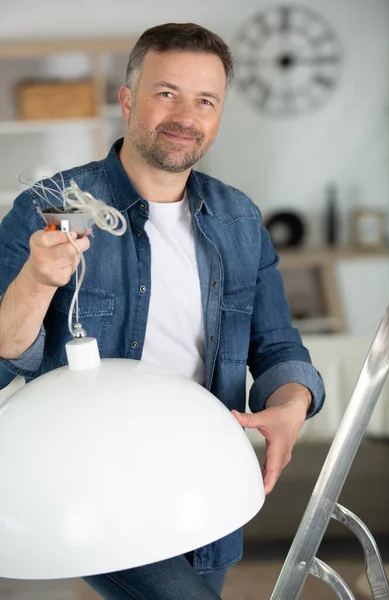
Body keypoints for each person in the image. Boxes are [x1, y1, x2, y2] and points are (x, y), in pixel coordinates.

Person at [0, 22, 325, 600]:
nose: (185, 116)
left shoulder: (240, 221)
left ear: (219, 115)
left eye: (205, 100)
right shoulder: (48, 208)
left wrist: (291, 406)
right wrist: (35, 281)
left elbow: (277, 347)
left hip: (201, 476)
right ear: (127, 100)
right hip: (91, 482)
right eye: (166, 92)